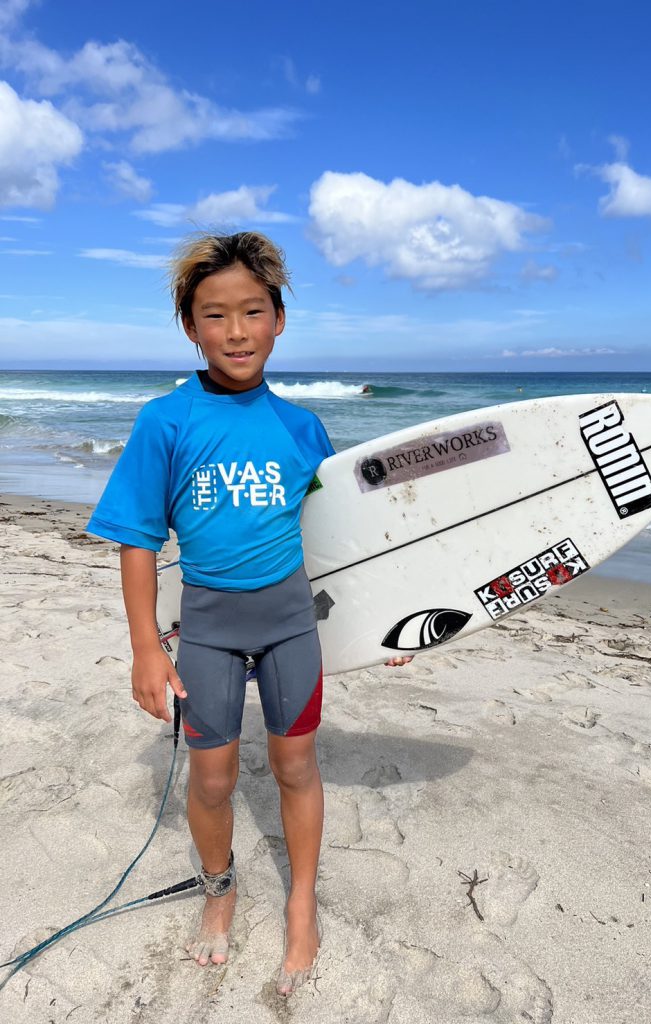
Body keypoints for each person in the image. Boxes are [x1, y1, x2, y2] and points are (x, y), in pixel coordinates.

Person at [87, 232, 410, 996]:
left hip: (292, 623)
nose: (236, 331)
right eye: (215, 315)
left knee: (297, 764)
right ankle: (220, 891)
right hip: (208, 629)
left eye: (252, 312)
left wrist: (379, 624)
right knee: (211, 780)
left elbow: (337, 544)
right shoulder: (166, 421)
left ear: (279, 320)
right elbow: (136, 538)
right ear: (191, 327)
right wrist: (145, 647)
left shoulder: (303, 428)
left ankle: (302, 904)